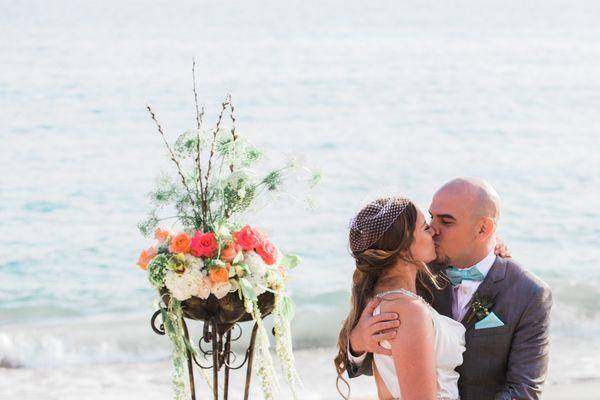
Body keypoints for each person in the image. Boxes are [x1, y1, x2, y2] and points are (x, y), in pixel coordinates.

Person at [344, 178, 552, 400]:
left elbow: (523, 392)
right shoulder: (415, 270)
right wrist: (357, 344)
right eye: (431, 218)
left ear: (483, 229)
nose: (433, 229)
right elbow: (386, 362)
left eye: (446, 221)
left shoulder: (528, 293)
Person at [335, 196, 466, 399]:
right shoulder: (407, 309)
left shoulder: (383, 299)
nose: (433, 230)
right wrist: (357, 342)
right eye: (424, 227)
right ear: (404, 247)